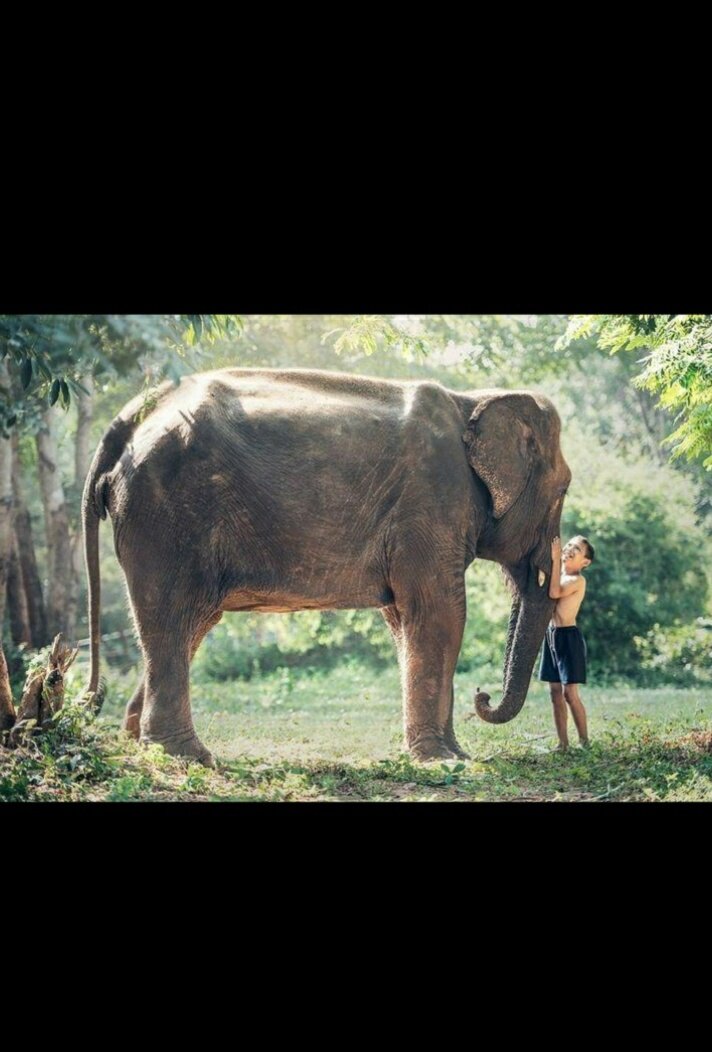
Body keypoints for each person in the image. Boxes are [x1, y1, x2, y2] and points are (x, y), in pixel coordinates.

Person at [538, 534, 594, 751]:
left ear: (585, 562)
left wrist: (554, 558)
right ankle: (563, 743)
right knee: (554, 692)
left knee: (569, 694)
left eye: (577, 549)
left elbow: (554, 592)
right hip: (551, 636)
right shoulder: (559, 574)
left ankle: (584, 742)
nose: (570, 548)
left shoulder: (577, 580)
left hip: (568, 638)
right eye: (569, 544)